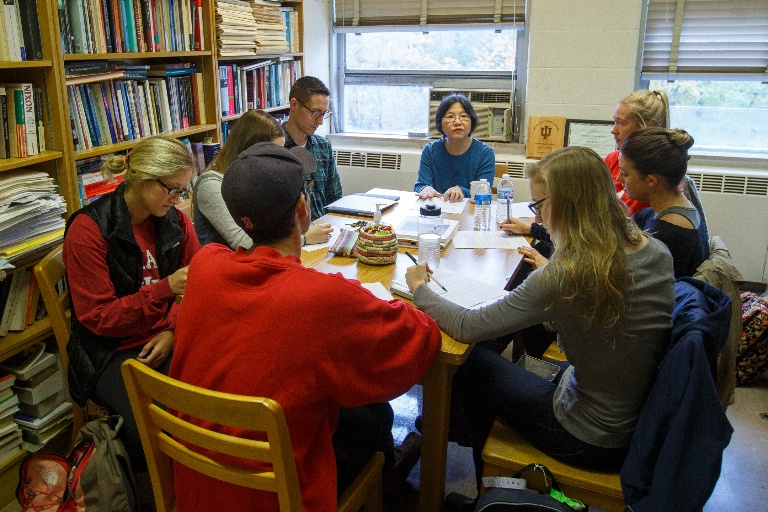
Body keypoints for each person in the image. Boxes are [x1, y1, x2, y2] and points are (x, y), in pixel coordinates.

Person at [169, 142, 443, 512]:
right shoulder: (321, 297)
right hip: (281, 495)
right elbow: (421, 340)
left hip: (196, 483)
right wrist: (419, 289)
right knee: (375, 414)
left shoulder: (204, 266)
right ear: (303, 210)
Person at [405, 146, 675, 511]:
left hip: (588, 437)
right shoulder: (655, 251)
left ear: (565, 203)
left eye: (539, 205)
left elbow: (468, 325)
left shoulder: (570, 273)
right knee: (497, 351)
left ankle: (487, 496)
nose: (539, 217)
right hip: (637, 420)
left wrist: (420, 288)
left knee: (469, 362)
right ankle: (465, 429)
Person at [62, 136, 200, 505]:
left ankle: (196, 489)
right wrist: (166, 290)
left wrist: (172, 328)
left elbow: (198, 285)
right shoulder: (89, 229)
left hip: (163, 335)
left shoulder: (175, 222)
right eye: (171, 189)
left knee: (213, 392)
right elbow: (98, 318)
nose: (177, 200)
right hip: (109, 350)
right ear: (141, 178)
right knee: (149, 428)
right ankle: (156, 496)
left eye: (182, 190)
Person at [194, 109, 334, 248]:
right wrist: (302, 238)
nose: (279, 159)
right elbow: (243, 243)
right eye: (274, 152)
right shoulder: (211, 184)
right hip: (227, 265)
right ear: (253, 149)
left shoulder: (258, 178)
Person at [618, 128, 709, 278]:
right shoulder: (667, 211)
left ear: (651, 180)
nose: (620, 179)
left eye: (625, 173)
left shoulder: (668, 235)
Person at [414, 93, 495, 202]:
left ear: (472, 121)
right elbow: (420, 185)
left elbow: (483, 191)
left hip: (470, 214)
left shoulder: (485, 153)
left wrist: (460, 190)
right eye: (450, 116)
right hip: (437, 212)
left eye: (463, 116)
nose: (457, 122)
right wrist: (426, 188)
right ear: (441, 123)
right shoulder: (430, 151)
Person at [283, 76, 343, 220]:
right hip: (292, 236)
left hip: (325, 229)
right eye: (315, 112)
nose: (320, 121)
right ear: (294, 105)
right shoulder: (274, 146)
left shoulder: (323, 146)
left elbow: (335, 199)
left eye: (324, 114)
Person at [605, 90, 669, 215]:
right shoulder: (612, 159)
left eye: (621, 123)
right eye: (614, 122)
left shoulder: (661, 172)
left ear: (647, 127)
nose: (613, 130)